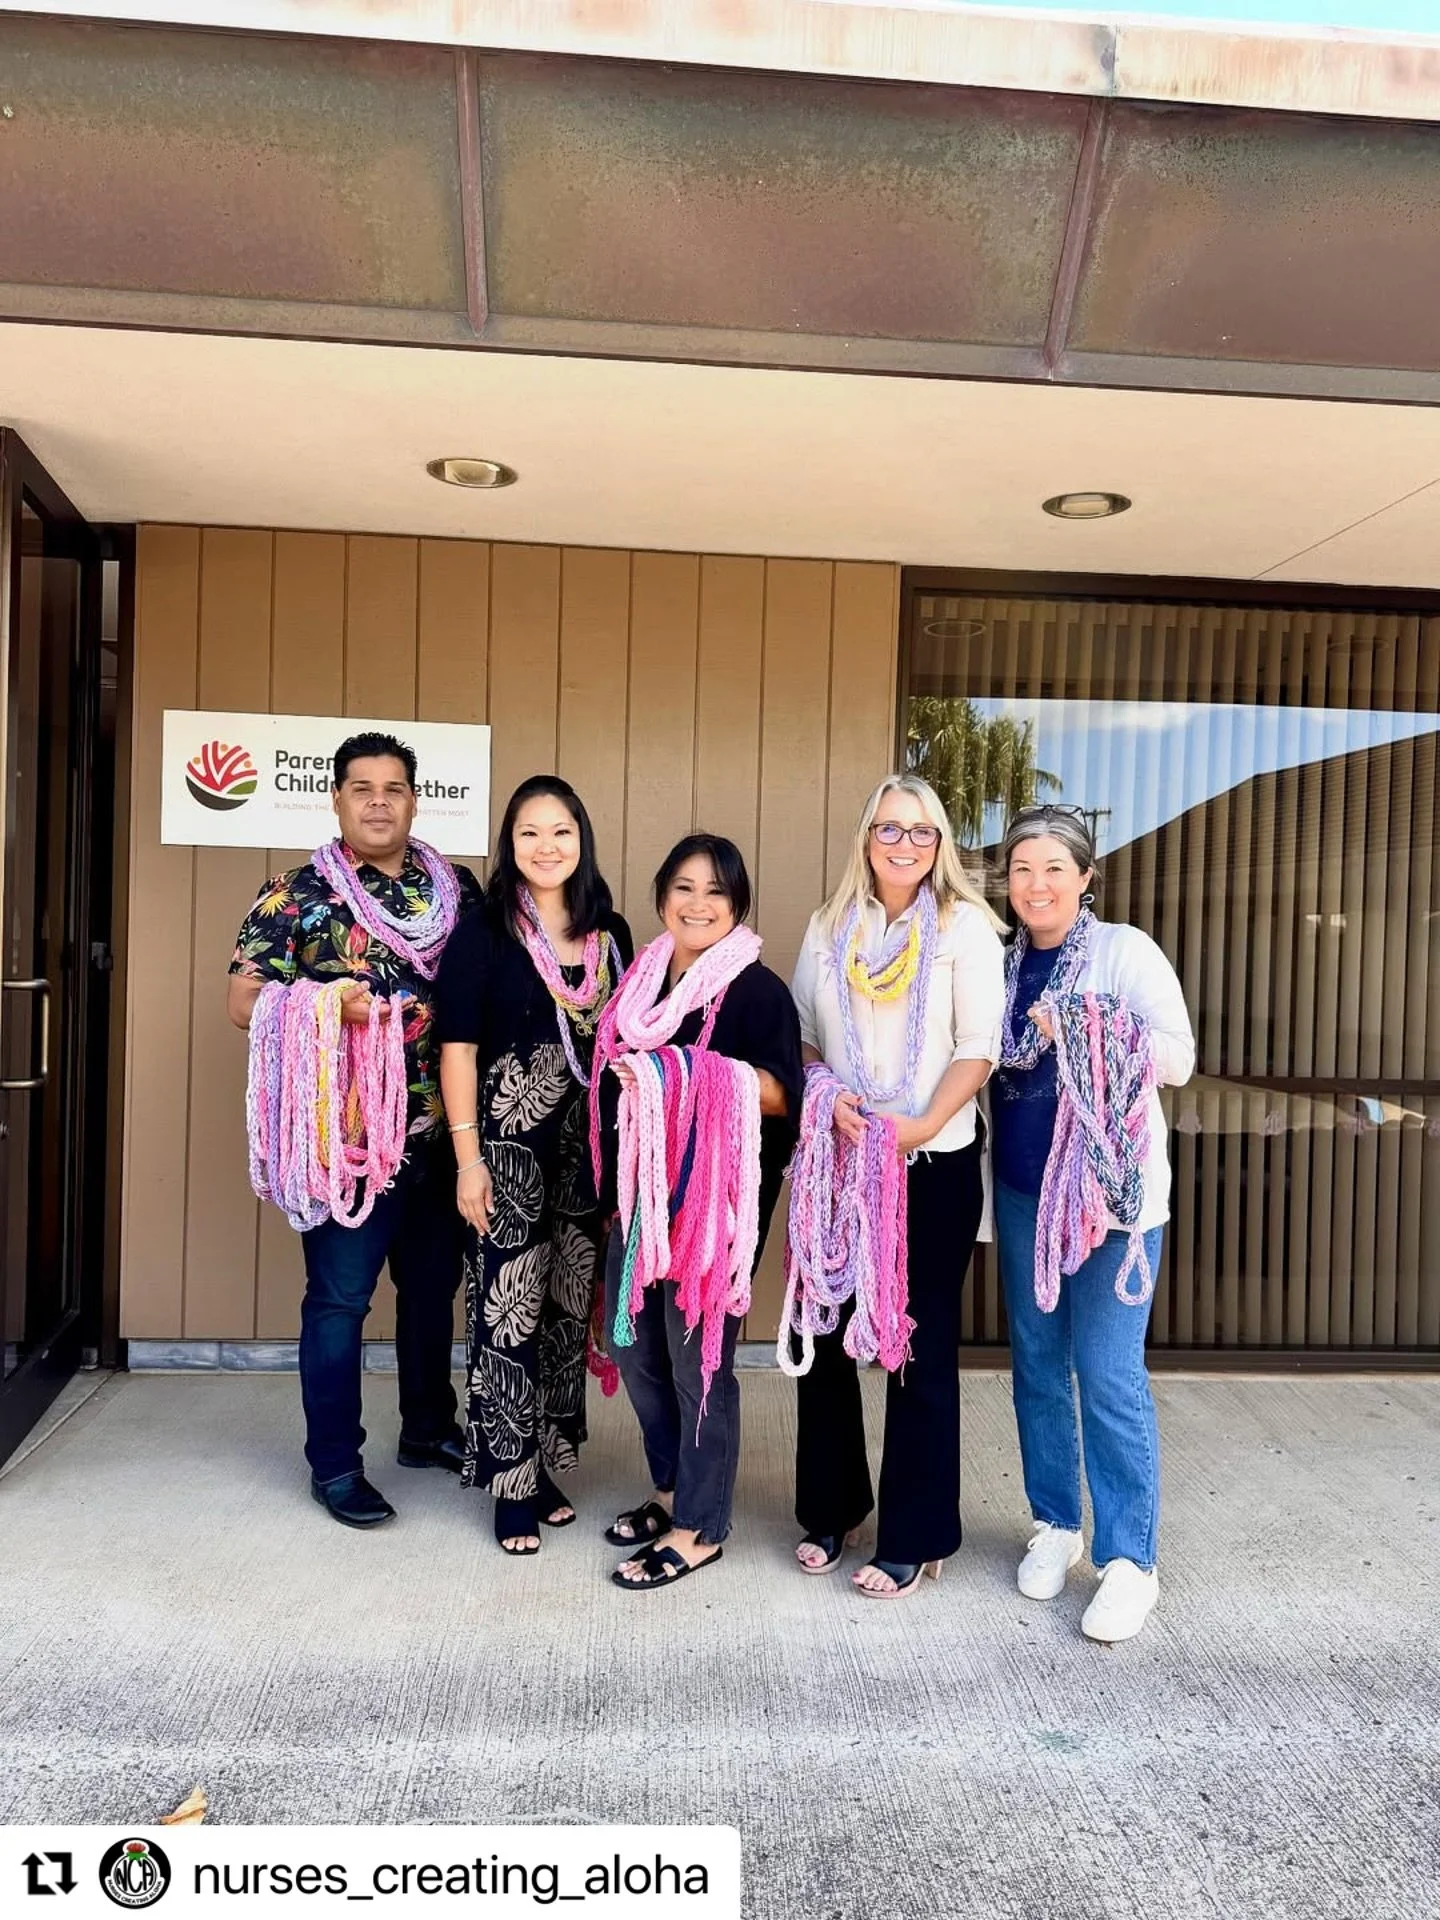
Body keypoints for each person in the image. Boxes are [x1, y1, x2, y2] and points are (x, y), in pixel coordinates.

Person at [228, 731, 482, 1529]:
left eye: (395, 787)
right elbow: (242, 1002)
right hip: (348, 1141)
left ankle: (427, 1429)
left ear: (414, 799)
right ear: (336, 797)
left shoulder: (458, 891)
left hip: (443, 1134)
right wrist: (320, 1001)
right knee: (338, 1301)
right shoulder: (293, 896)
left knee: (433, 1291)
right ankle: (335, 1466)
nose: (379, 799)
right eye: (362, 786)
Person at [789, 774, 1005, 1598]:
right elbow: (805, 1040)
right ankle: (831, 1509)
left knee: (916, 1348)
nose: (905, 843)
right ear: (866, 837)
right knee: (828, 1337)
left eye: (922, 831)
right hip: (841, 1162)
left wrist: (913, 1130)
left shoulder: (966, 930)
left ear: (940, 843)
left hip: (930, 1162)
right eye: (891, 828)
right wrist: (831, 1097)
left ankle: (914, 1533)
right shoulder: (828, 927)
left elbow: (978, 1047)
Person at [991, 804, 1195, 1644]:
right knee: (1038, 1365)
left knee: (1107, 1372)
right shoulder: (1000, 969)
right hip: (1020, 1194)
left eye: (1053, 869)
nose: (1036, 885)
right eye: (1021, 870)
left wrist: (1081, 1025)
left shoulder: (1123, 952)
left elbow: (1178, 1057)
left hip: (1108, 1202)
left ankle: (1128, 1561)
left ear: (1084, 877)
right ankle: (1055, 1525)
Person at [595, 834, 802, 1591]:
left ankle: (701, 1526)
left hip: (712, 1213)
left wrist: (687, 1071)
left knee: (699, 1364)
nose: (698, 903)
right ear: (661, 899)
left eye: (715, 891)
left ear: (737, 904)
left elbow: (784, 1093)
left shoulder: (756, 991)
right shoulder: (639, 987)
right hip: (638, 1201)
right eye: (683, 887)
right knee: (634, 1352)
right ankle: (672, 1485)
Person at [434, 775, 631, 1557]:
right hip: (509, 1145)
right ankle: (507, 1487)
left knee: (563, 1310)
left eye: (561, 832)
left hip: (587, 1145)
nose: (546, 847)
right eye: (529, 833)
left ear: (580, 839)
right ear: (508, 845)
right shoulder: (484, 931)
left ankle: (545, 1464)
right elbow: (456, 1048)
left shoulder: (609, 931)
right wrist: (466, 1161)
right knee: (506, 1310)